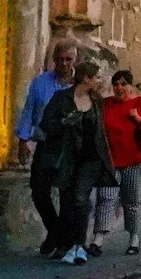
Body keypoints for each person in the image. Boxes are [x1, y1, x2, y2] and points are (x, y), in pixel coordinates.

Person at [35, 59, 116, 266]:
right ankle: (66, 243)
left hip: (90, 158)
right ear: (86, 78)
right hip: (67, 158)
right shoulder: (61, 98)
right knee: (67, 201)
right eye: (96, 77)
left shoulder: (96, 100)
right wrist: (63, 123)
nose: (99, 81)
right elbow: (46, 124)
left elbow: (99, 131)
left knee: (80, 199)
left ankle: (79, 245)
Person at [15, 36, 82, 256]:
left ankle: (62, 242)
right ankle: (55, 231)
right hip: (46, 144)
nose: (64, 64)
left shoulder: (81, 86)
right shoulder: (40, 83)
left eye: (68, 59)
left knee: (66, 195)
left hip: (70, 147)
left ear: (75, 60)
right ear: (53, 59)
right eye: (60, 59)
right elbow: (29, 112)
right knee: (39, 191)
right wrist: (23, 141)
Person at [99, 70, 141, 255]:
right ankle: (98, 239)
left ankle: (134, 238)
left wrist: (140, 119)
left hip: (135, 160)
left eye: (123, 84)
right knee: (105, 197)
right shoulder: (106, 104)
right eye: (115, 84)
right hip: (111, 161)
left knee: (132, 201)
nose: (119, 88)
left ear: (130, 86)